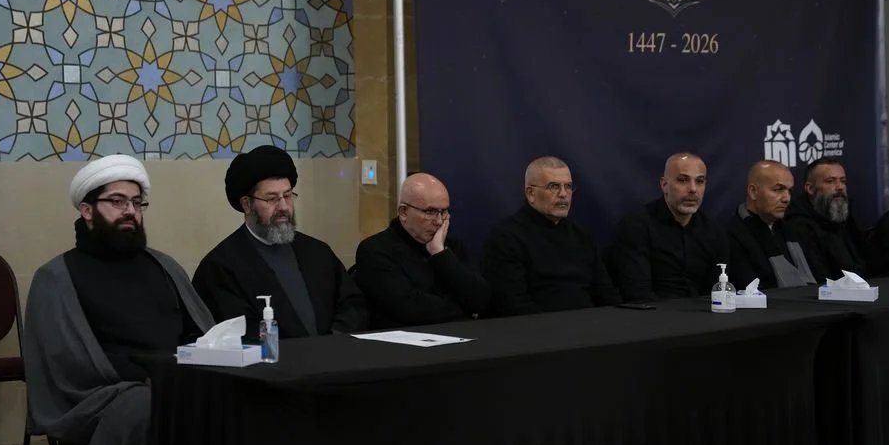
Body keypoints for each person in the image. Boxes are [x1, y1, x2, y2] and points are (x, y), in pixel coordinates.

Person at [23, 155, 214, 445]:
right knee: (151, 415)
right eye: (116, 202)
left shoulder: (163, 266)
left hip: (172, 385)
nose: (130, 211)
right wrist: (151, 381)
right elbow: (63, 368)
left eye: (137, 202)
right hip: (102, 399)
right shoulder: (56, 278)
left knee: (234, 403)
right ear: (87, 210)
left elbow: (200, 334)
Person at [192, 145, 367, 338]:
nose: (284, 207)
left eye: (288, 195)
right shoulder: (219, 267)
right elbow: (237, 332)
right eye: (272, 198)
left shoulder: (317, 251)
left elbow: (352, 305)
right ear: (247, 204)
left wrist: (334, 339)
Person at [481, 156, 621, 315]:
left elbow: (606, 293)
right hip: (539, 326)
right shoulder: (506, 238)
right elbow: (513, 305)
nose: (563, 194)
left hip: (592, 323)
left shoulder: (581, 236)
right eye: (553, 187)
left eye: (568, 186)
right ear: (531, 193)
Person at [354, 172, 490, 327]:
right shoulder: (375, 250)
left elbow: (481, 299)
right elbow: (411, 309)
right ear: (403, 212)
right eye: (430, 212)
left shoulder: (452, 245)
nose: (439, 221)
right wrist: (465, 308)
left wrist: (441, 255)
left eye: (444, 212)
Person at [609, 152, 729, 301]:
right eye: (683, 180)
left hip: (704, 312)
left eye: (699, 181)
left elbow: (719, 289)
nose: (693, 189)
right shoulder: (636, 226)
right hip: (654, 312)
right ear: (664, 185)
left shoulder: (713, 230)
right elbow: (637, 293)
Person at [727, 160, 818, 288]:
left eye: (790, 191)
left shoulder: (794, 229)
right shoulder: (732, 235)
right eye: (778, 189)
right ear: (753, 191)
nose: (787, 198)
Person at [786, 158, 869, 280]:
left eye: (843, 181)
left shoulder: (845, 214)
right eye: (830, 181)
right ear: (810, 189)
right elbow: (819, 276)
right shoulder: (798, 224)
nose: (840, 187)